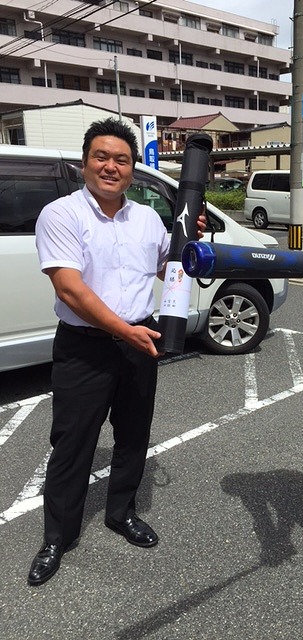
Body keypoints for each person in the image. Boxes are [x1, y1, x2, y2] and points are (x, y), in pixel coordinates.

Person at [29, 117, 205, 586]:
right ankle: (57, 537)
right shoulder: (62, 214)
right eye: (101, 157)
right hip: (84, 347)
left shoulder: (146, 218)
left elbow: (170, 265)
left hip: (139, 340)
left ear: (132, 169)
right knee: (72, 444)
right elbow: (70, 289)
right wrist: (125, 331)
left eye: (122, 160)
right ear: (84, 163)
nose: (111, 166)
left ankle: (120, 512)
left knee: (133, 435)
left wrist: (190, 237)